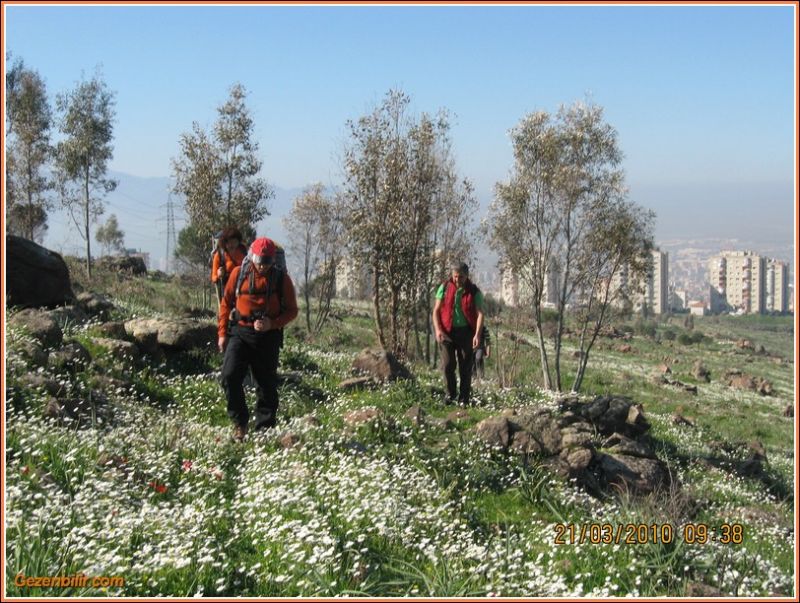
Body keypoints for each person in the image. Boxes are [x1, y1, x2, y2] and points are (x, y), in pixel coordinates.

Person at [218, 237, 298, 441]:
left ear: (273, 260)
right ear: (251, 257)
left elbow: (292, 311)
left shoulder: (282, 279)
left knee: (266, 385)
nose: (263, 266)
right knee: (229, 375)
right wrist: (221, 334)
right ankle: (240, 423)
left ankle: (265, 430)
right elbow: (226, 304)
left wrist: (273, 323)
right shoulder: (238, 273)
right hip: (240, 333)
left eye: (267, 262)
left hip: (268, 337)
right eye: (259, 261)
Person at [432, 262, 485, 406]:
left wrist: (477, 335)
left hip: (466, 332)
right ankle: (450, 394)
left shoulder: (474, 292)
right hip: (447, 332)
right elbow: (436, 311)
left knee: (465, 367)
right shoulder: (444, 287)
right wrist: (437, 330)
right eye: (455, 276)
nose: (457, 279)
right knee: (448, 365)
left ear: (467, 276)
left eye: (461, 277)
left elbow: (480, 314)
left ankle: (464, 398)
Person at [211, 227, 247, 304]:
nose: (232, 245)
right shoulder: (219, 255)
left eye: (234, 242)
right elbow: (214, 277)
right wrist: (218, 274)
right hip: (226, 289)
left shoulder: (243, 252)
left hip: (242, 288)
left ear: (238, 242)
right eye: (229, 242)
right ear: (224, 243)